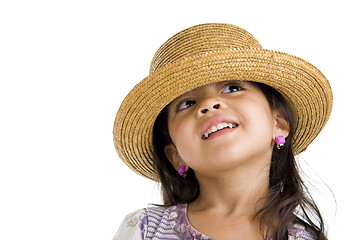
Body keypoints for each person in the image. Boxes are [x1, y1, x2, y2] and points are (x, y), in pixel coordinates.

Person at [112, 23, 332, 240]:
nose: (209, 104)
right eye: (187, 103)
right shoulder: (145, 230)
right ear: (175, 154)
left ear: (279, 122)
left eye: (233, 88)